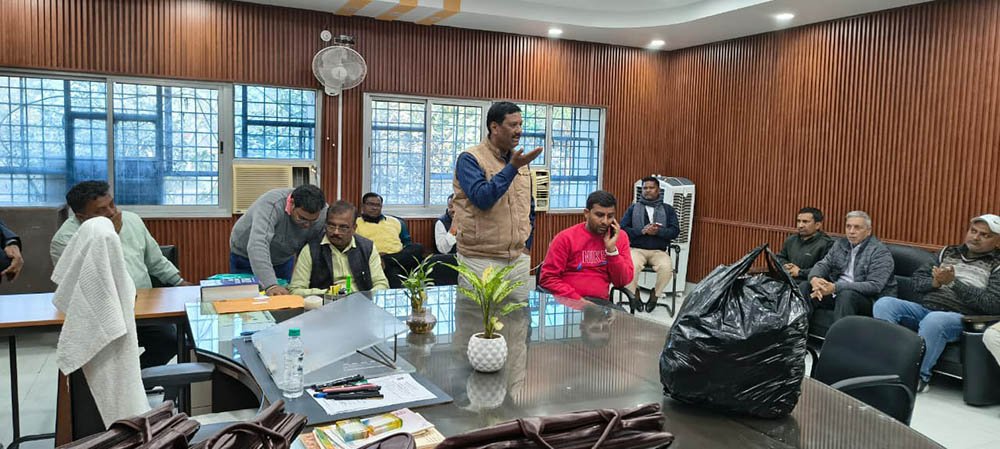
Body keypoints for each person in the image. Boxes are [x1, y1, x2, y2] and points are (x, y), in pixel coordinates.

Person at [50, 180, 191, 368]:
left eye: (112, 204)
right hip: (98, 314)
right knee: (99, 357)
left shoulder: (132, 220)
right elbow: (89, 280)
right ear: (81, 217)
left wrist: (180, 282)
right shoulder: (65, 239)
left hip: (141, 308)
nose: (111, 213)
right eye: (100, 210)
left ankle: (138, 380)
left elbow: (156, 261)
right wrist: (112, 235)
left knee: (170, 341)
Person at [873, 214, 1000, 392]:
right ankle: (887, 365)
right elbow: (917, 280)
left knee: (935, 320)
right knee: (885, 304)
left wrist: (954, 283)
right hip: (926, 309)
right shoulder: (948, 252)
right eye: (973, 231)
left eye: (984, 235)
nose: (976, 237)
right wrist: (935, 283)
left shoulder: (997, 264)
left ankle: (918, 378)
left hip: (963, 318)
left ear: (997, 241)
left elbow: (992, 304)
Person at [453, 101, 541, 308]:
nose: (519, 130)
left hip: (517, 259)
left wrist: (526, 245)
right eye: (513, 125)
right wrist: (511, 168)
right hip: (480, 259)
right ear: (494, 127)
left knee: (517, 321)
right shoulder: (470, 159)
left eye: (520, 124)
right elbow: (482, 198)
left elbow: (529, 206)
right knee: (477, 320)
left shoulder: (520, 162)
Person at [229, 185, 327, 296]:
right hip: (245, 256)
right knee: (246, 298)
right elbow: (257, 245)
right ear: (292, 203)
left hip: (283, 258)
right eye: (302, 218)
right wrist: (271, 285)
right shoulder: (271, 204)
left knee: (280, 297)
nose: (307, 225)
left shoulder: (323, 212)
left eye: (313, 221)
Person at [540, 190, 634, 302]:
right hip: (567, 300)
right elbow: (548, 278)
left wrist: (612, 251)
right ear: (586, 213)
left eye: (610, 216)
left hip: (600, 303)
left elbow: (622, 281)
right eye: (599, 215)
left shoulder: (619, 237)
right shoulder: (565, 238)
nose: (605, 221)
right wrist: (578, 301)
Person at [802, 210, 896, 320]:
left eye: (857, 227)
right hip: (837, 293)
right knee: (806, 286)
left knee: (846, 295)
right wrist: (814, 278)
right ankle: (797, 328)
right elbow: (823, 264)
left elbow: (874, 286)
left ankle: (841, 332)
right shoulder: (840, 244)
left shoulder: (879, 252)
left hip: (868, 300)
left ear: (868, 231)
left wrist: (835, 287)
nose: (851, 231)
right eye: (848, 227)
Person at [288, 201, 389, 296]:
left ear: (354, 228)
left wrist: (365, 297)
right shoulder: (311, 249)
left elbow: (382, 284)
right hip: (325, 303)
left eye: (343, 227)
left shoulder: (367, 247)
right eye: (331, 226)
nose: (336, 232)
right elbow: (295, 290)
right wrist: (328, 293)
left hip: (360, 301)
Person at [621, 176, 679, 312]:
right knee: (631, 267)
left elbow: (675, 231)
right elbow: (622, 229)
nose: (647, 190)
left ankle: (655, 295)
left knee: (666, 269)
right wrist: (641, 231)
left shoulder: (668, 209)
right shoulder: (633, 208)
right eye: (645, 188)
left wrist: (659, 232)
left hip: (659, 251)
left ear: (658, 190)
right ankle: (634, 294)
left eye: (651, 188)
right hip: (636, 249)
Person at [354, 192, 425, 288]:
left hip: (398, 258)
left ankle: (387, 261)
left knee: (418, 247)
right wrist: (376, 257)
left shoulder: (395, 222)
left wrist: (387, 259)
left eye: (378, 205)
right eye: (371, 204)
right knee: (393, 272)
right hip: (373, 261)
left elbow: (407, 244)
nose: (374, 208)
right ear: (363, 206)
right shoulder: (356, 224)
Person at [776, 207, 835, 286]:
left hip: (809, 285)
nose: (800, 225)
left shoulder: (827, 244)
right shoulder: (791, 239)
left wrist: (800, 272)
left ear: (817, 225)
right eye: (798, 221)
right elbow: (780, 257)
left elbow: (826, 270)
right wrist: (786, 265)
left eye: (805, 222)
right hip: (787, 281)